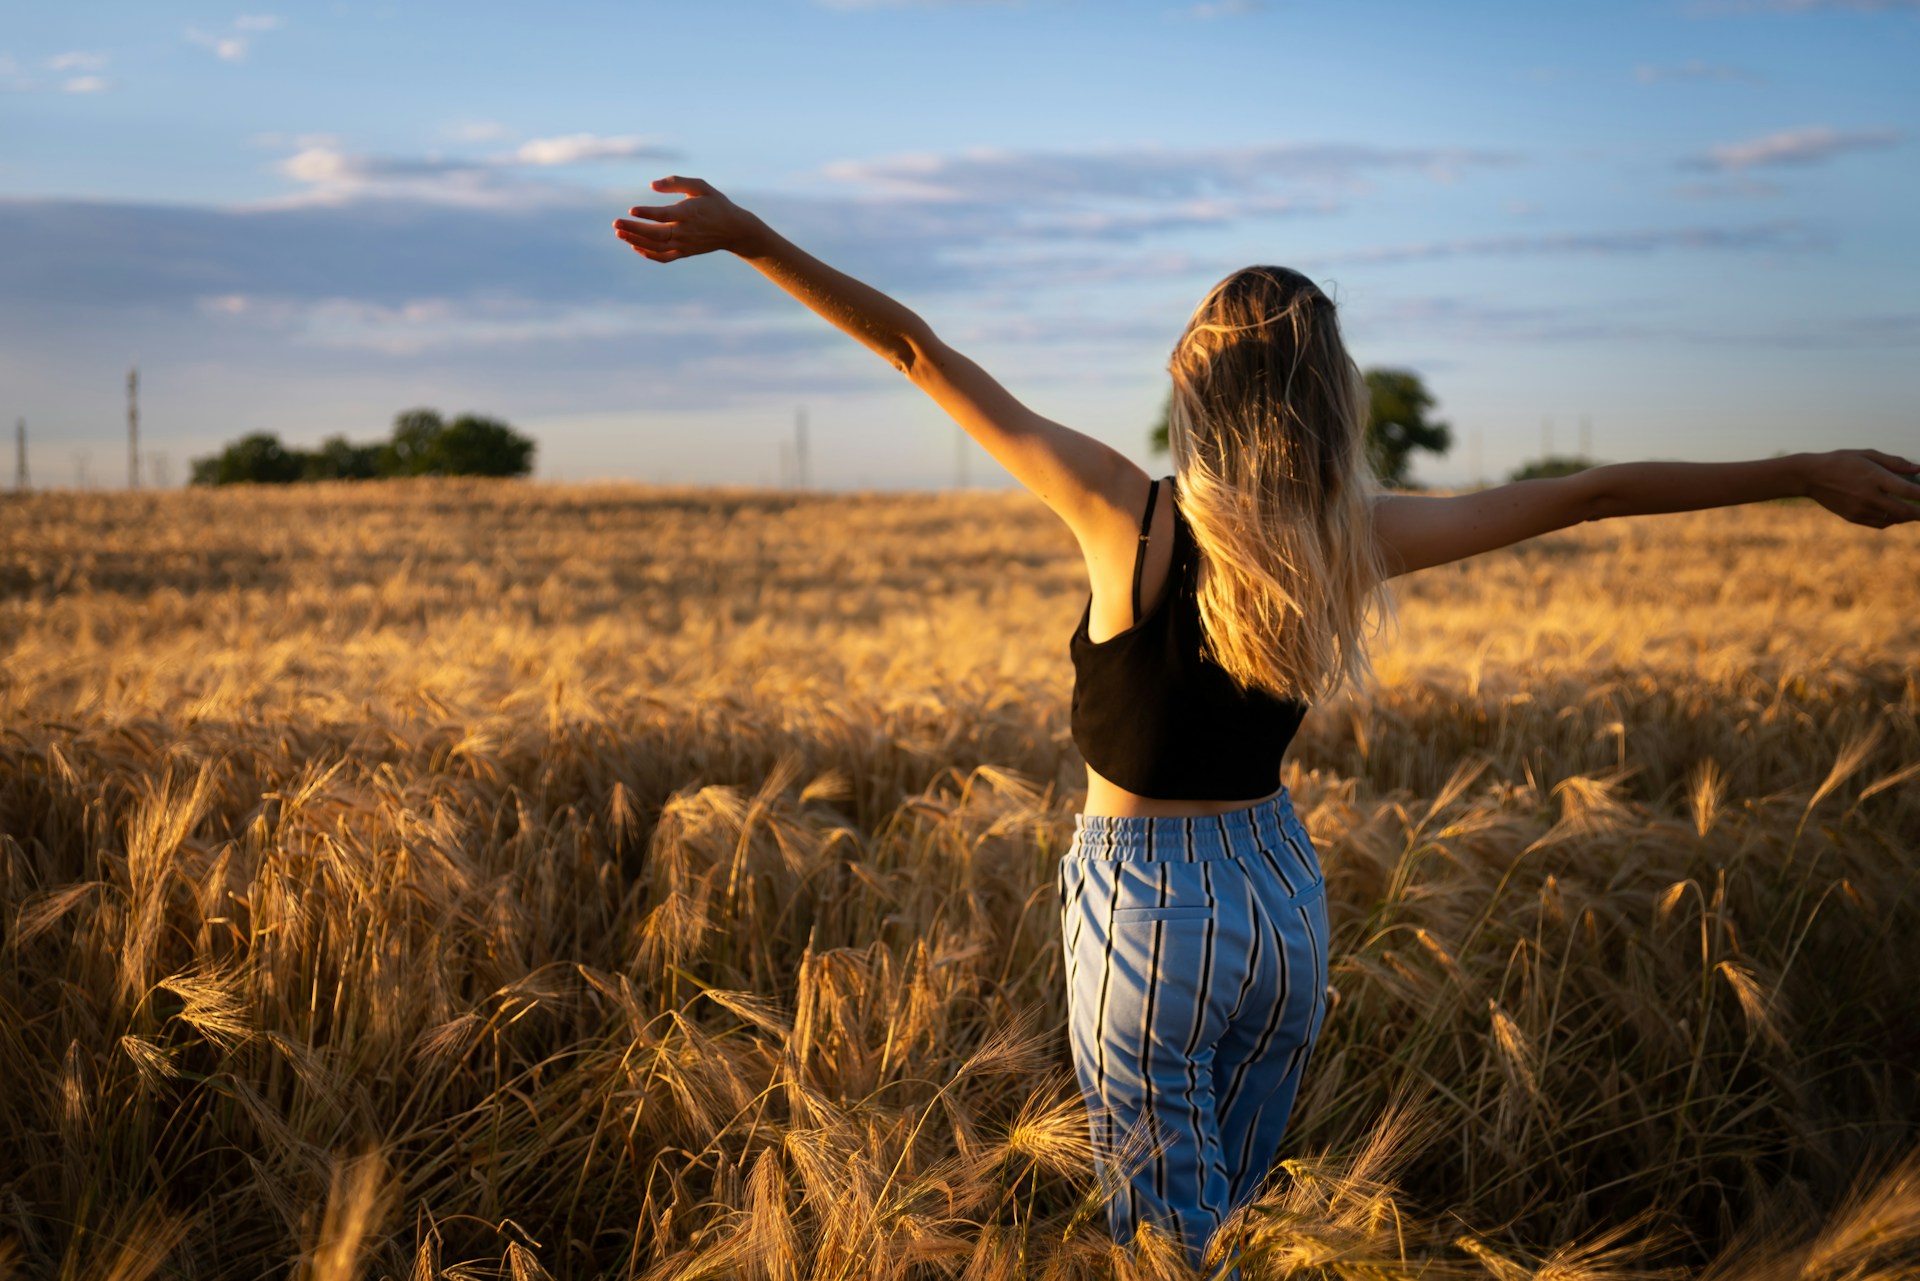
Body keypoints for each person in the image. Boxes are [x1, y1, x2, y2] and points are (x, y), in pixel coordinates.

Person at [612, 176, 1920, 1271]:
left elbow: (916, 353)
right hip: (1285, 902)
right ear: (1330, 393)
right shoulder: (1352, 538)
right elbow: (1592, 491)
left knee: (1170, 1250)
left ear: (1195, 383)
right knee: (1234, 1228)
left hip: (1149, 912)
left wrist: (756, 240)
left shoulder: (1130, 515)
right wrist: (1802, 470)